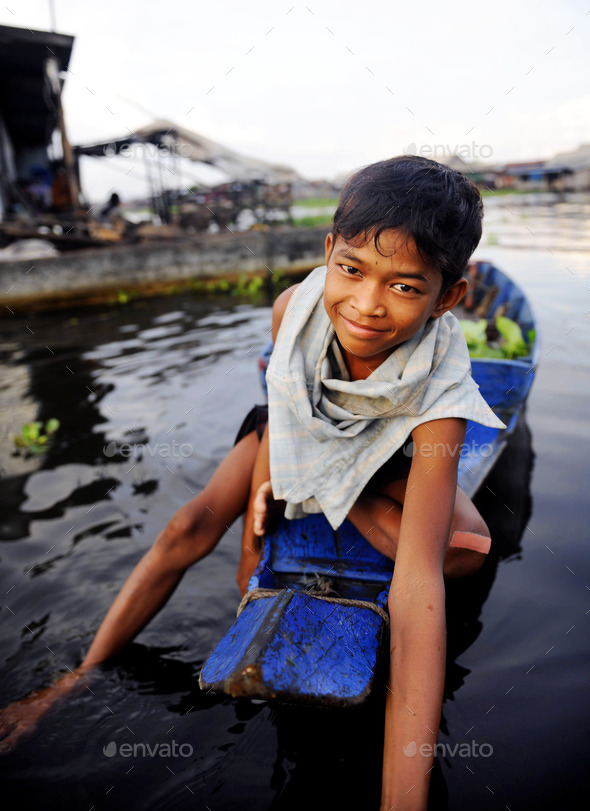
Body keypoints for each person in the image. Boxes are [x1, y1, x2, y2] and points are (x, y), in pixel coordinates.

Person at [0, 156, 503, 810]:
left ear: (449, 296)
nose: (368, 305)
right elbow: (283, 412)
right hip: (298, 433)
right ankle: (71, 681)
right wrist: (257, 535)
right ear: (329, 253)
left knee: (464, 550)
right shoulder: (293, 308)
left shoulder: (442, 397)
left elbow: (414, 593)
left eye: (406, 287)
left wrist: (401, 799)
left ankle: (342, 501)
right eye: (351, 270)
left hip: (394, 458)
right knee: (186, 525)